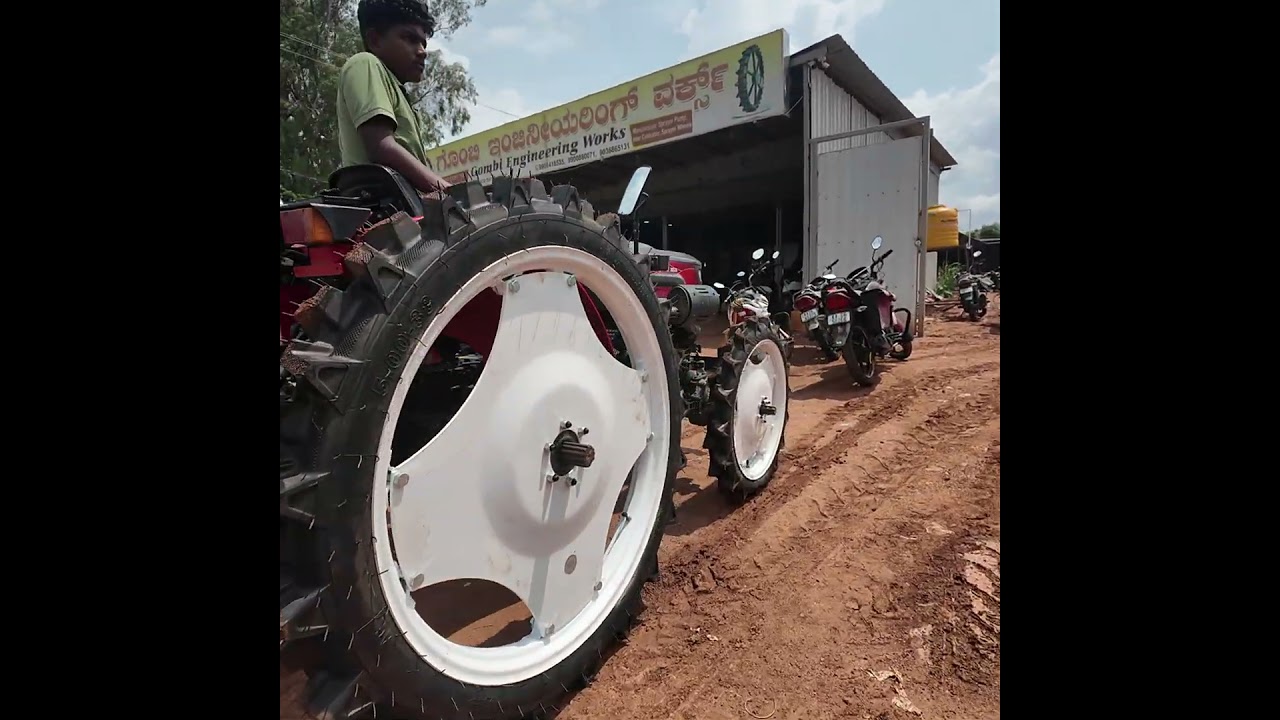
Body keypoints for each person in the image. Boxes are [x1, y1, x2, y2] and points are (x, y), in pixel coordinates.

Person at [337, 0, 451, 193]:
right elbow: (382, 147)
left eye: (423, 43)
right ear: (375, 40)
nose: (423, 52)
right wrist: (449, 193)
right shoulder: (365, 64)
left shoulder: (399, 93)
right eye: (410, 39)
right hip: (384, 210)